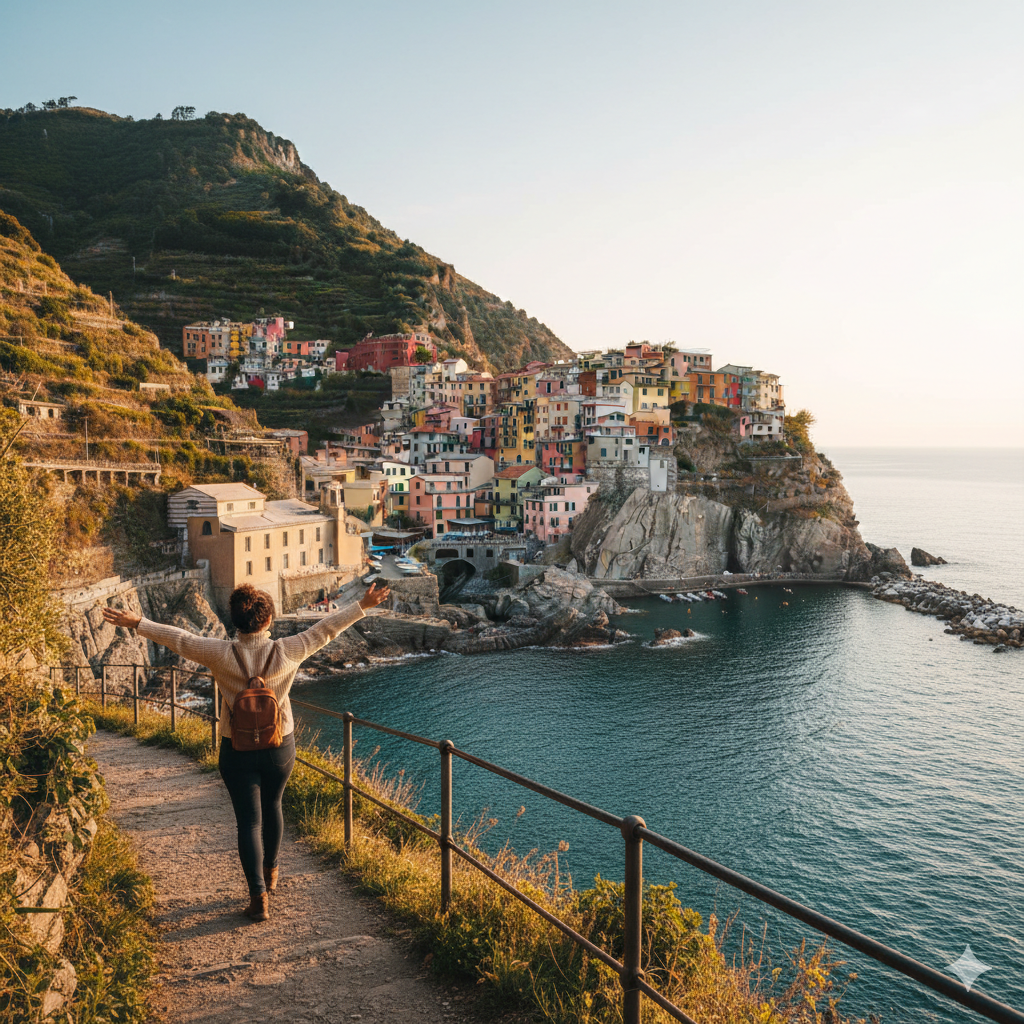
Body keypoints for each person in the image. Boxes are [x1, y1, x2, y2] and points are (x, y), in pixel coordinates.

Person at [101, 580, 390, 922]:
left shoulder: (219, 653)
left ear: (235, 621)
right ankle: (272, 872)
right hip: (279, 745)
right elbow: (326, 628)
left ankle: (258, 898)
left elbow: (180, 639)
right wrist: (363, 604)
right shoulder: (289, 649)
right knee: (274, 806)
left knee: (248, 823)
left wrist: (137, 622)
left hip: (235, 747)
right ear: (267, 621)